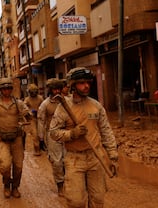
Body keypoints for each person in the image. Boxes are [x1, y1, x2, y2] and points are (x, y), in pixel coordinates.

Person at [50, 67, 118, 208]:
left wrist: (112, 156)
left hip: (95, 157)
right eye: (81, 83)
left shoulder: (96, 106)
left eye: (88, 82)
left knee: (98, 199)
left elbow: (106, 131)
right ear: (73, 85)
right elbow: (53, 133)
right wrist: (71, 134)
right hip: (74, 160)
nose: (86, 86)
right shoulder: (63, 107)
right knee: (76, 202)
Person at [0, 77, 31, 199]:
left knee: (18, 166)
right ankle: (6, 185)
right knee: (4, 166)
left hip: (17, 139)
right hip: (2, 139)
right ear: (0, 90)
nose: (7, 91)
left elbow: (27, 113)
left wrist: (28, 115)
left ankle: (15, 187)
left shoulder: (18, 103)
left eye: (9, 88)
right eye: (4, 89)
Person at [37, 78, 66, 197]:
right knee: (57, 162)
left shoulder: (67, 101)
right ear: (50, 90)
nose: (57, 91)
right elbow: (40, 121)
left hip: (68, 134)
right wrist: (41, 138)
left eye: (59, 89)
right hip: (53, 136)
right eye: (54, 89)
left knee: (69, 160)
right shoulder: (45, 104)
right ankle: (60, 185)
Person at [24, 83, 44, 156]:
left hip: (40, 118)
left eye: (34, 92)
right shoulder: (27, 99)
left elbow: (43, 107)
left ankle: (43, 147)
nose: (33, 94)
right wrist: (29, 112)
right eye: (32, 92)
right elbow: (24, 108)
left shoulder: (40, 98)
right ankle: (37, 149)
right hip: (32, 119)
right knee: (35, 134)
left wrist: (39, 111)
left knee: (41, 133)